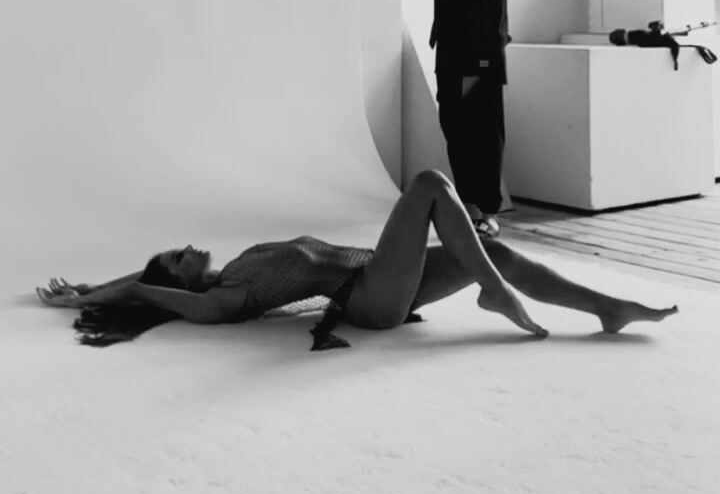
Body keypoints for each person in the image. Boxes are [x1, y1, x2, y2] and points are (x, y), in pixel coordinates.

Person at [36, 169, 677, 352]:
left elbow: (145, 278)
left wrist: (93, 284)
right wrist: (96, 300)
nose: (187, 247)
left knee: (497, 250)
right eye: (178, 257)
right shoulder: (224, 299)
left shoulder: (233, 269)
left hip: (380, 275)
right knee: (429, 184)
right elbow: (152, 290)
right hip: (370, 298)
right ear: (181, 281)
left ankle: (608, 309)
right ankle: (495, 293)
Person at [413, 0, 514, 240]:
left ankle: (489, 212)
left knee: (484, 128)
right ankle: (469, 208)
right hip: (450, 45)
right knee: (455, 126)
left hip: (483, 45)